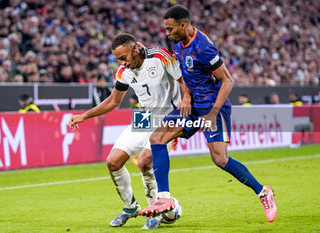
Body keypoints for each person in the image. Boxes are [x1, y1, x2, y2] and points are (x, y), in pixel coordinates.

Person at [140, 5, 277, 223]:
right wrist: (185, 95)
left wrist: (212, 114)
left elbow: (228, 80)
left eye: (170, 29)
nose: (167, 33)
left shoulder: (204, 48)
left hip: (214, 107)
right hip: (192, 106)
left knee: (220, 159)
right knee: (157, 138)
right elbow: (184, 74)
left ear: (183, 25)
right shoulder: (177, 43)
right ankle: (164, 198)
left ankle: (263, 192)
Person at [68, 33, 191, 229]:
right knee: (112, 162)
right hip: (144, 117)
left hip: (168, 117)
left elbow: (184, 79)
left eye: (124, 58)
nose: (122, 63)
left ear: (134, 49)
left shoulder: (159, 56)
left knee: (145, 161)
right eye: (118, 60)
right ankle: (130, 207)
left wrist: (186, 99)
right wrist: (84, 116)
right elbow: (114, 101)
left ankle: (155, 210)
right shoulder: (123, 72)